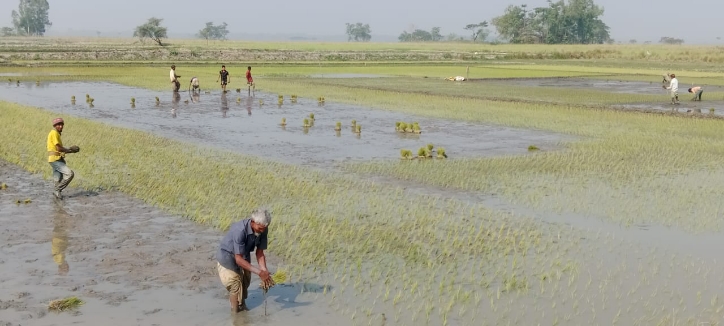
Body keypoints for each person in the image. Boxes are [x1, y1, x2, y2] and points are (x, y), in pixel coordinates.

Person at [216, 208, 274, 313]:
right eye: (260, 228)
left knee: (244, 283)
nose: (262, 231)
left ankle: (242, 306)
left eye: (264, 228)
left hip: (243, 255)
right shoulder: (240, 230)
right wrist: (259, 273)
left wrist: (264, 270)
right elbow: (238, 259)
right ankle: (235, 314)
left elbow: (260, 253)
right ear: (252, 222)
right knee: (235, 285)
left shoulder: (263, 229)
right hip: (227, 256)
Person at [47, 118, 79, 200]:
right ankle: (57, 190)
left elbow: (59, 149)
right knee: (70, 174)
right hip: (55, 159)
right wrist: (70, 150)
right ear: (55, 126)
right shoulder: (54, 133)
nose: (61, 126)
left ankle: (57, 197)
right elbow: (59, 148)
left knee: (57, 179)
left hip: (57, 158)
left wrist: (70, 150)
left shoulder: (56, 134)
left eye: (62, 125)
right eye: (58, 125)